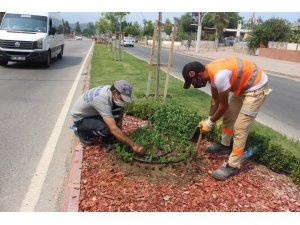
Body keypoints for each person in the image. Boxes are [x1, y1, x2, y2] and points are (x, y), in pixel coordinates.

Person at [182, 58, 272, 181]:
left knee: (240, 128)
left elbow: (223, 106)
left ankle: (233, 165)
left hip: (256, 88)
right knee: (229, 116)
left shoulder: (219, 76)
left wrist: (210, 123)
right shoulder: (210, 73)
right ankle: (224, 145)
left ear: (198, 75)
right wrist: (209, 119)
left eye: (192, 82)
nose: (193, 85)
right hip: (242, 87)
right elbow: (215, 101)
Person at [70, 80, 144, 155]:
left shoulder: (111, 91)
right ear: (115, 92)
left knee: (115, 116)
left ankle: (106, 141)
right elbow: (113, 128)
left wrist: (119, 129)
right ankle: (83, 133)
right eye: (122, 98)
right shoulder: (102, 100)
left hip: (92, 112)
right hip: (81, 118)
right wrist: (133, 145)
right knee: (107, 128)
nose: (123, 101)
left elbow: (120, 110)